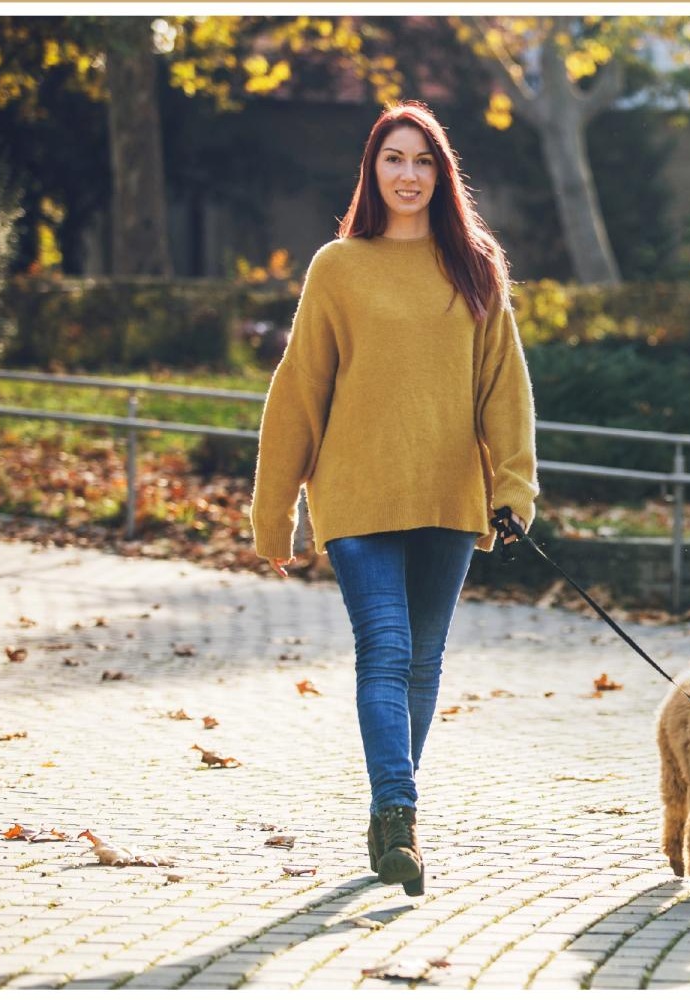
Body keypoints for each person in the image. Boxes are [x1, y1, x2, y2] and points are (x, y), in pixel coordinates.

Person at [250, 101, 537, 897]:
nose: (408, 174)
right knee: (385, 650)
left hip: (450, 499)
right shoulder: (337, 268)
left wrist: (513, 488)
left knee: (423, 661)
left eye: (422, 161)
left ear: (443, 174)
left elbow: (503, 392)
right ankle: (398, 811)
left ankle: (389, 810)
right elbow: (299, 391)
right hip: (357, 495)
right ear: (372, 172)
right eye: (393, 160)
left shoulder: (475, 266)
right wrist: (274, 514)